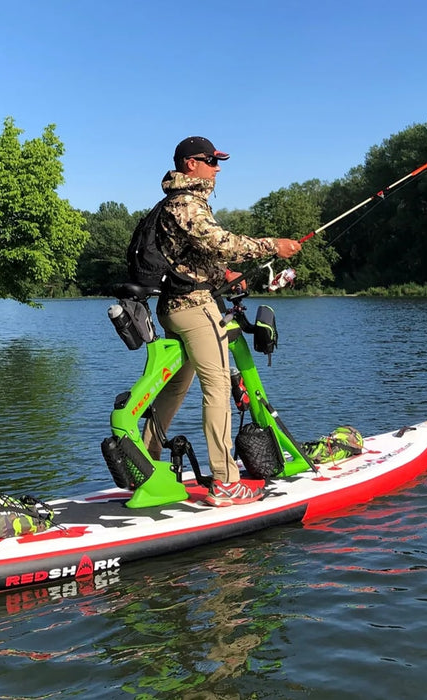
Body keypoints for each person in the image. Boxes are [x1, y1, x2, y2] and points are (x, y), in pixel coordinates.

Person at [141, 136, 301, 507]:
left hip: (177, 304)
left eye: (218, 161)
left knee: (176, 387)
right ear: (189, 164)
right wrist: (272, 245)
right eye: (211, 160)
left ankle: (145, 464)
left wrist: (224, 275)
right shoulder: (186, 202)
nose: (217, 167)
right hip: (194, 308)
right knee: (217, 387)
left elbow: (193, 256)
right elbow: (219, 241)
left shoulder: (177, 203)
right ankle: (226, 482)